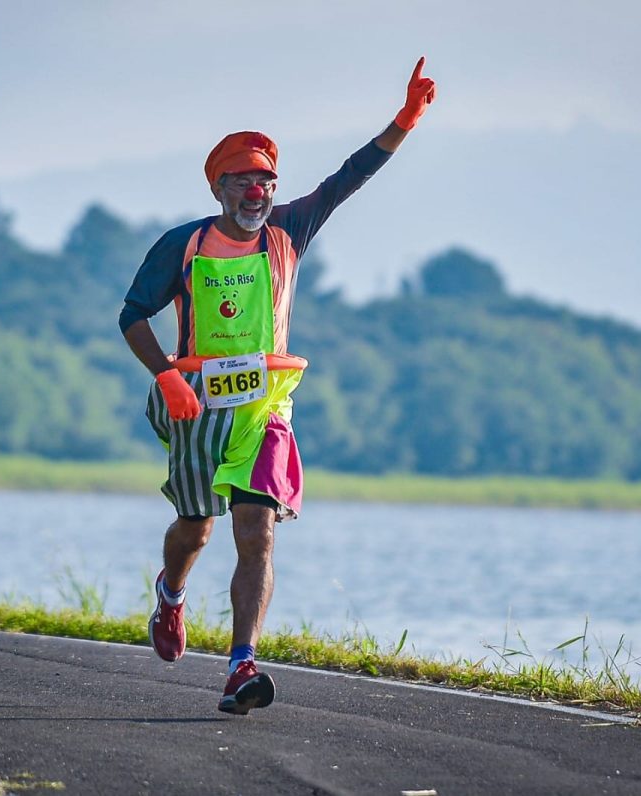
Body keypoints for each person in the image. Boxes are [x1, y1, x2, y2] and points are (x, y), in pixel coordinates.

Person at [118, 58, 436, 714]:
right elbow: (132, 316)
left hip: (267, 405)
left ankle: (241, 667)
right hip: (198, 404)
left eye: (268, 179)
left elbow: (348, 178)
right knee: (194, 528)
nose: (260, 190)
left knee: (257, 530)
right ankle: (170, 596)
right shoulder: (183, 246)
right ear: (221, 188)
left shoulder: (290, 231)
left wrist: (403, 121)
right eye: (246, 179)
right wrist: (167, 380)